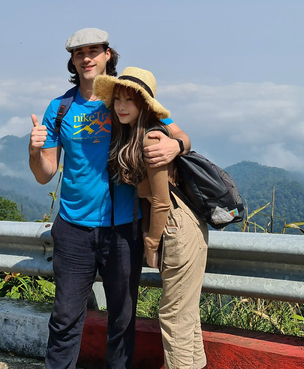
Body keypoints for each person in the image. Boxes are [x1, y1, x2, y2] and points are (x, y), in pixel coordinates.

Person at [28, 28, 191, 369]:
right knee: (65, 318)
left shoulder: (128, 97)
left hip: (123, 228)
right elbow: (45, 173)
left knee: (122, 320)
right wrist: (33, 151)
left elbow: (180, 136)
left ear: (108, 55)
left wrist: (176, 145)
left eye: (93, 51)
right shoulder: (60, 108)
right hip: (73, 228)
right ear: (72, 61)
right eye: (78, 53)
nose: (86, 58)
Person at [94, 67, 208, 369]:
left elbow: (159, 202)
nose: (121, 106)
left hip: (175, 228)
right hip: (179, 226)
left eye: (129, 100)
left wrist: (151, 243)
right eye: (117, 99)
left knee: (174, 315)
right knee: (186, 313)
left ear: (143, 104)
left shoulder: (152, 138)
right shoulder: (135, 134)